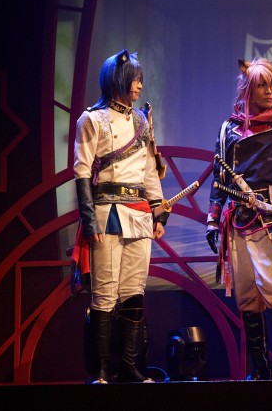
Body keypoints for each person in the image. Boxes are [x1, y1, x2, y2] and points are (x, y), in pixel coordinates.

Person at [206, 58, 272, 381]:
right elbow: (219, 178)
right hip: (237, 219)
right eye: (262, 86)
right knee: (247, 295)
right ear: (247, 89)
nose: (269, 92)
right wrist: (212, 220)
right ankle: (260, 368)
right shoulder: (228, 129)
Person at [73, 49, 169, 384]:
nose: (140, 85)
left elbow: (149, 172)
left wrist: (159, 214)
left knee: (133, 291)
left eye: (140, 79)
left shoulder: (142, 121)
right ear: (117, 80)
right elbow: (81, 173)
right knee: (104, 292)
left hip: (139, 215)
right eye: (134, 79)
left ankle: (129, 366)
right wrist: (89, 221)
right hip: (105, 213)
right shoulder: (91, 120)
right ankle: (101, 369)